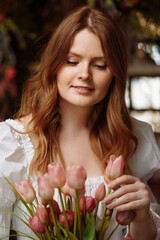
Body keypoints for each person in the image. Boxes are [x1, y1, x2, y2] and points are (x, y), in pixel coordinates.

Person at [0, 5, 160, 240]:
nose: (85, 74)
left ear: (115, 73)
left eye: (100, 65)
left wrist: (143, 217)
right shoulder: (11, 142)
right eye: (72, 61)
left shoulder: (133, 138)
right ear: (54, 66)